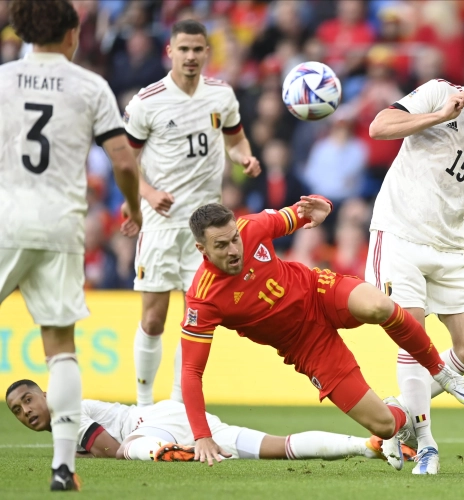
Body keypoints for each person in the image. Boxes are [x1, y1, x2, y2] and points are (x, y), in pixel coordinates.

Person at [180, 197, 464, 469]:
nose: (234, 250)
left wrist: (321, 206)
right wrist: (202, 436)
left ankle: (440, 371)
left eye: (235, 239)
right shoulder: (202, 299)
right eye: (221, 245)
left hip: (318, 291)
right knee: (384, 425)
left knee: (380, 305)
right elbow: (191, 371)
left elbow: (300, 214)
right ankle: (401, 418)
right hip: (304, 346)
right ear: (201, 248)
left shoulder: (252, 226)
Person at [0, 0, 142, 491]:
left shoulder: (3, 80)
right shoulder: (90, 86)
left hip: (6, 219)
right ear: (70, 35)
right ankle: (63, 467)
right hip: (61, 226)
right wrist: (134, 207)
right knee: (60, 350)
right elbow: (123, 161)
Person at [365, 41, 464, 474]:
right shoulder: (438, 92)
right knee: (412, 336)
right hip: (399, 235)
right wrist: (439, 116)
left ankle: (399, 413)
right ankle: (427, 443)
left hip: (448, 248)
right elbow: (380, 127)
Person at [123, 20, 261, 408]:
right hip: (163, 225)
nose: (191, 56)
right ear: (170, 51)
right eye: (183, 49)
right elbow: (125, 159)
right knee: (153, 319)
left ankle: (182, 405)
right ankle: (145, 406)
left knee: (195, 320)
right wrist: (147, 194)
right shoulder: (147, 101)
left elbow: (236, 141)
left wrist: (244, 158)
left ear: (207, 52)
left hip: (206, 231)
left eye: (198, 49)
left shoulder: (222, 95)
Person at [6, 379, 415, 464]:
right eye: (18, 411)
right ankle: (365, 445)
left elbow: (109, 449)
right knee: (277, 445)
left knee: (128, 452)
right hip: (175, 417)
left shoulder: (63, 409)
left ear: (45, 392)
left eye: (28, 399)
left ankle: (172, 454)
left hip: (149, 426)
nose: (27, 412)